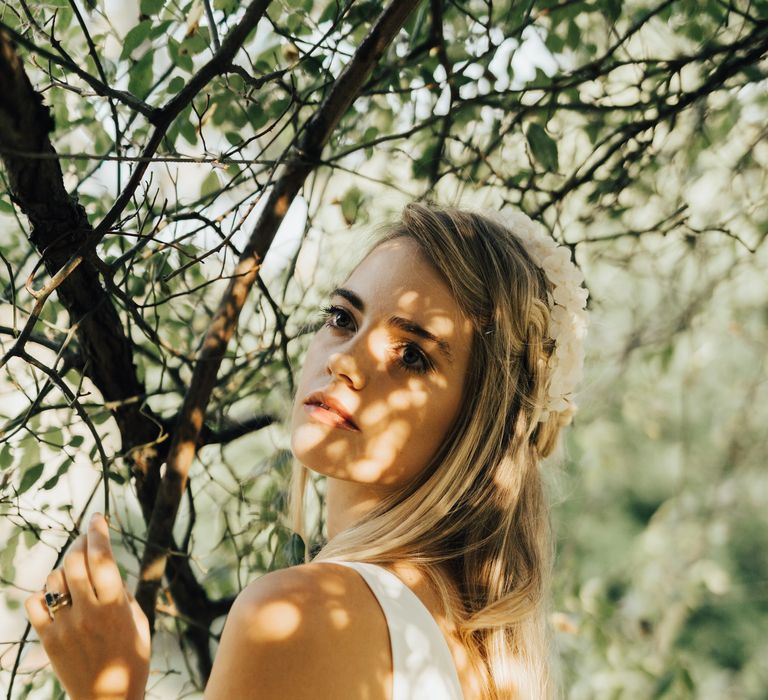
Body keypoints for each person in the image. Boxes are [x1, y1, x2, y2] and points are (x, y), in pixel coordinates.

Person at [24, 202, 589, 699]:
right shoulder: (476, 655)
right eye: (343, 318)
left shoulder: (304, 612)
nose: (345, 360)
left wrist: (108, 691)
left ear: (481, 422)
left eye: (412, 355)